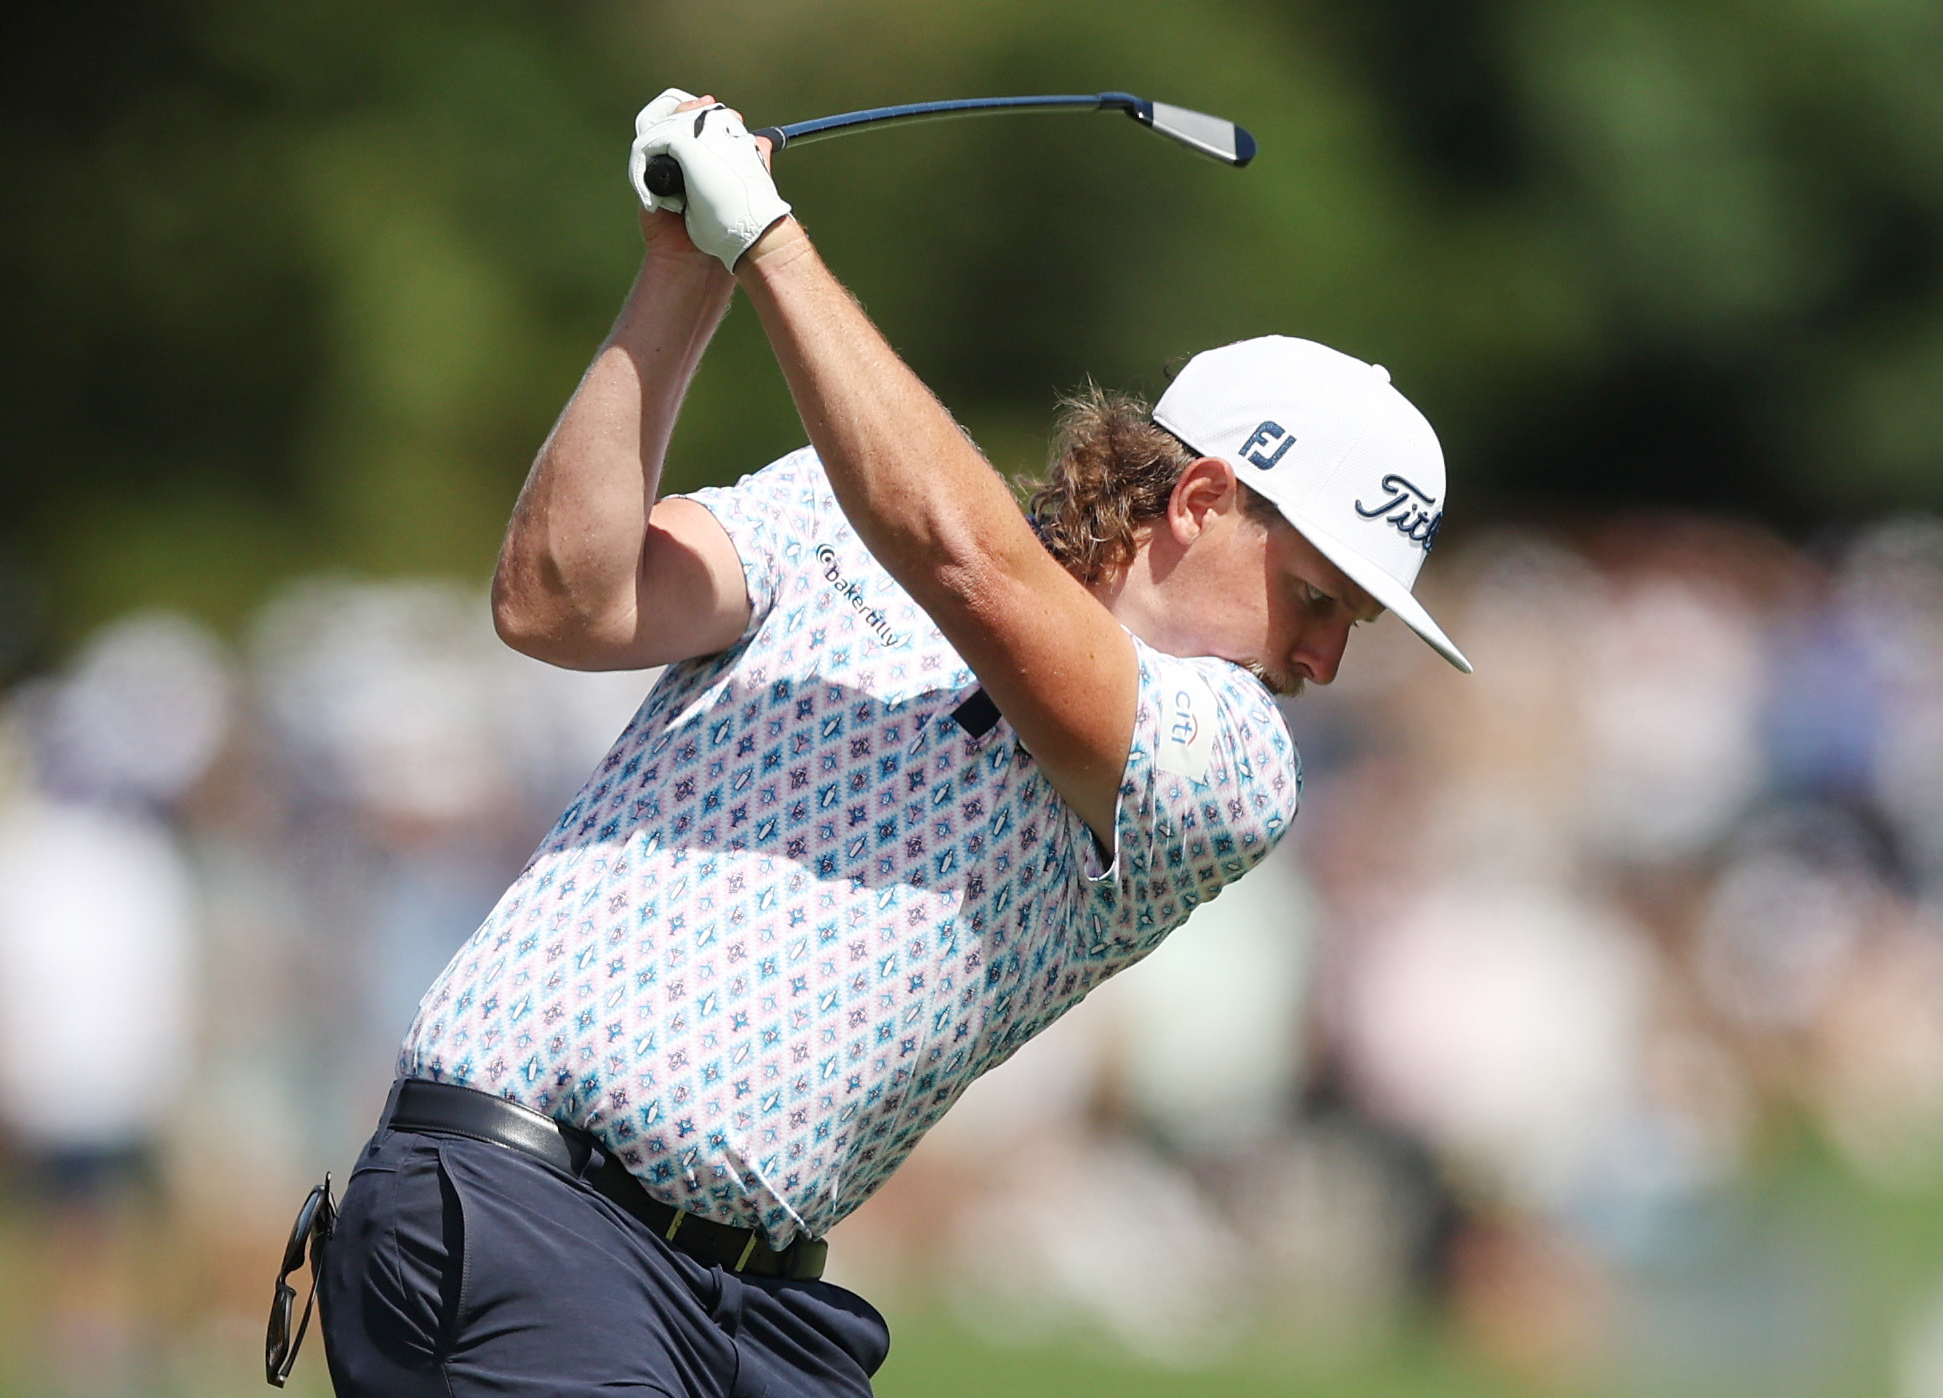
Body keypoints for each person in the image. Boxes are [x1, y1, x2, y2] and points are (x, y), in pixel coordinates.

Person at [309, 89, 1470, 1398]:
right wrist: (685, 272)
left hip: (756, 1307)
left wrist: (772, 244)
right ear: (1202, 500)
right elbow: (562, 599)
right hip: (522, 1214)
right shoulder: (827, 515)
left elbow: (970, 566)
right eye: (1317, 597)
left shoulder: (1232, 768)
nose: (1321, 660)